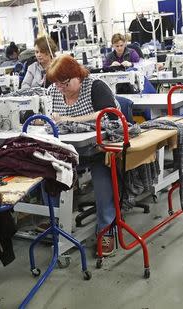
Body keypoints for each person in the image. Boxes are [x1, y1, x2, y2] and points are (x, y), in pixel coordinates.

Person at [46, 54, 120, 256]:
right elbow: (47, 116)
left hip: (98, 148)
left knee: (100, 174)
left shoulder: (95, 86)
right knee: (46, 170)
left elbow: (108, 114)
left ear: (77, 75)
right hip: (67, 149)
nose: (60, 88)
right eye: (57, 84)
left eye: (64, 83)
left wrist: (69, 118)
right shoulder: (53, 91)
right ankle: (55, 226)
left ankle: (106, 229)